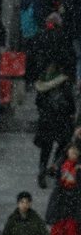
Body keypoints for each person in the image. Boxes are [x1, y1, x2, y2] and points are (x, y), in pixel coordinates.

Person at [34, 62, 75, 190]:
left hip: (46, 120)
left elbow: (38, 102)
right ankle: (55, 167)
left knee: (46, 148)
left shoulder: (42, 84)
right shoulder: (65, 83)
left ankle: (43, 169)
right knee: (62, 145)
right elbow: (71, 105)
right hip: (61, 120)